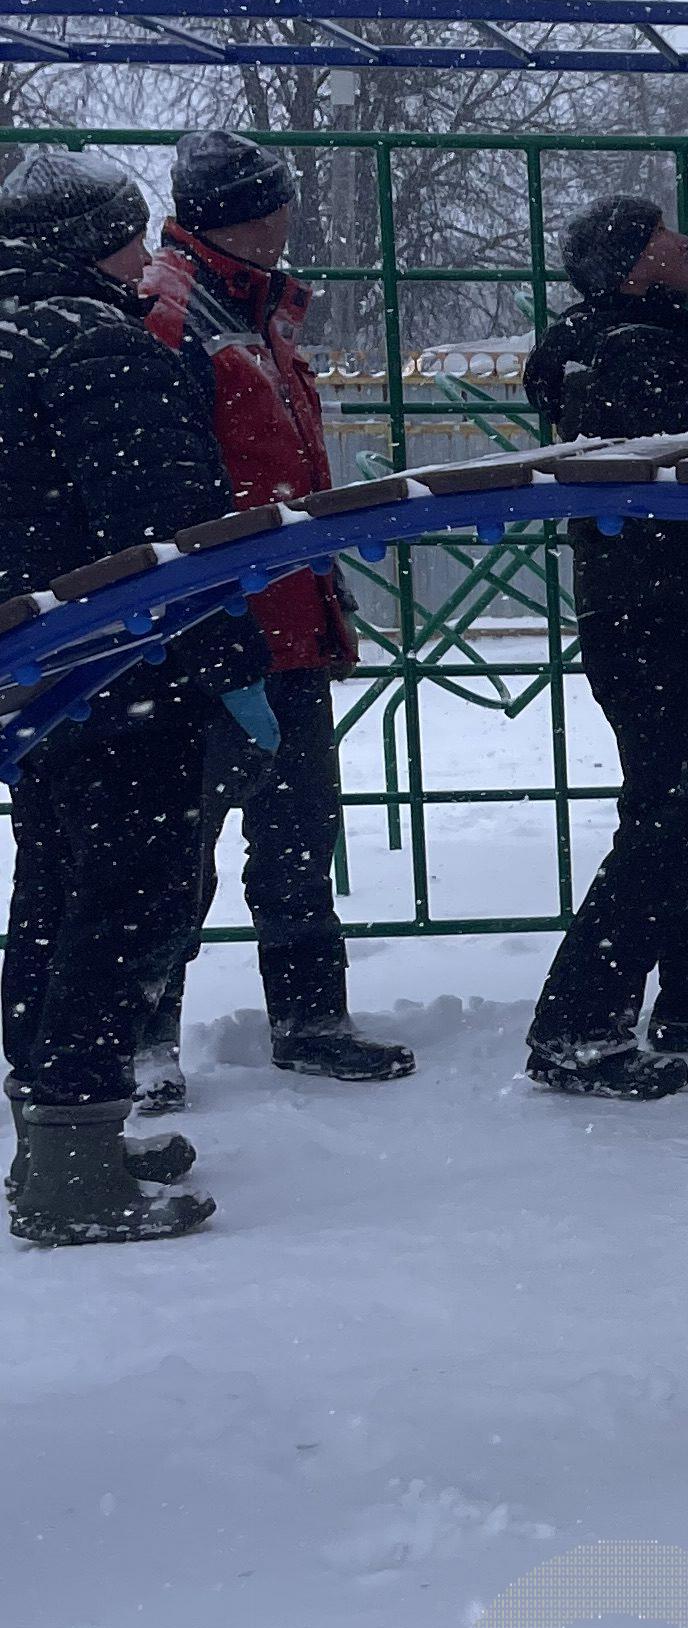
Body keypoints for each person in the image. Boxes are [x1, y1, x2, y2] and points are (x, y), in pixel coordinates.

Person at [0, 148, 259, 1245]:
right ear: (95, 244)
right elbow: (173, 538)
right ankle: (74, 1167)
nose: (148, 259)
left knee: (52, 894)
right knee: (127, 902)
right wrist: (231, 662)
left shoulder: (13, 339)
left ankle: (57, 1132)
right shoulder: (101, 346)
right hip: (123, 670)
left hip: (37, 675)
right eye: (134, 237)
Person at [136, 128, 416, 1097]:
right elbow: (176, 483)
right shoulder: (176, 315)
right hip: (212, 629)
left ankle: (309, 1016)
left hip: (284, 620)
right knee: (179, 848)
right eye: (278, 201)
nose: (290, 217)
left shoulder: (248, 311)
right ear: (247, 216)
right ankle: (141, 1041)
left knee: (298, 833)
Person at [522, 194, 688, 1102]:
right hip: (663, 611)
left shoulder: (620, 341)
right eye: (664, 232)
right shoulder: (637, 349)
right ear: (635, 266)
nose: (685, 239)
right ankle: (576, 1026)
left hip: (652, 612)